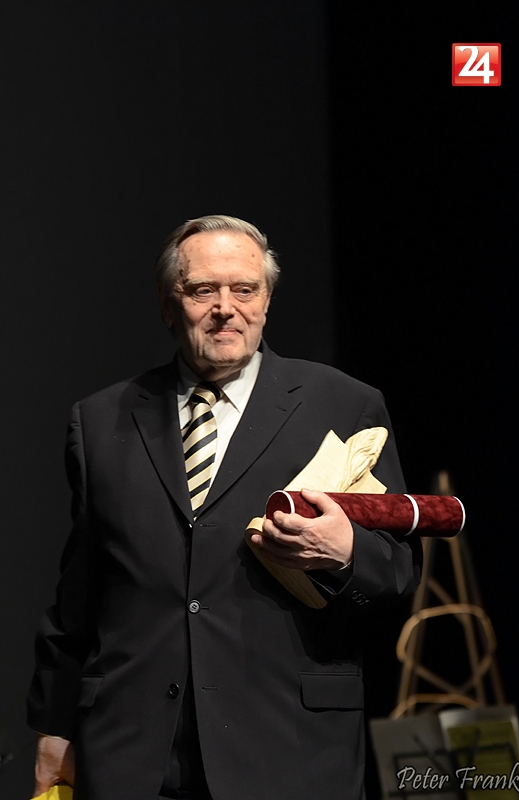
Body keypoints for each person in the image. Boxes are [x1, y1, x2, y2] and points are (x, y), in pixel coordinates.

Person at [28, 215, 421, 800]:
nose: (225, 308)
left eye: (244, 289)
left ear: (267, 300)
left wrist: (344, 554)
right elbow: (79, 596)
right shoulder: (101, 420)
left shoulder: (343, 405)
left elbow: (397, 572)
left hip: (289, 749)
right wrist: (55, 725)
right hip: (132, 754)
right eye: (202, 290)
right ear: (169, 303)